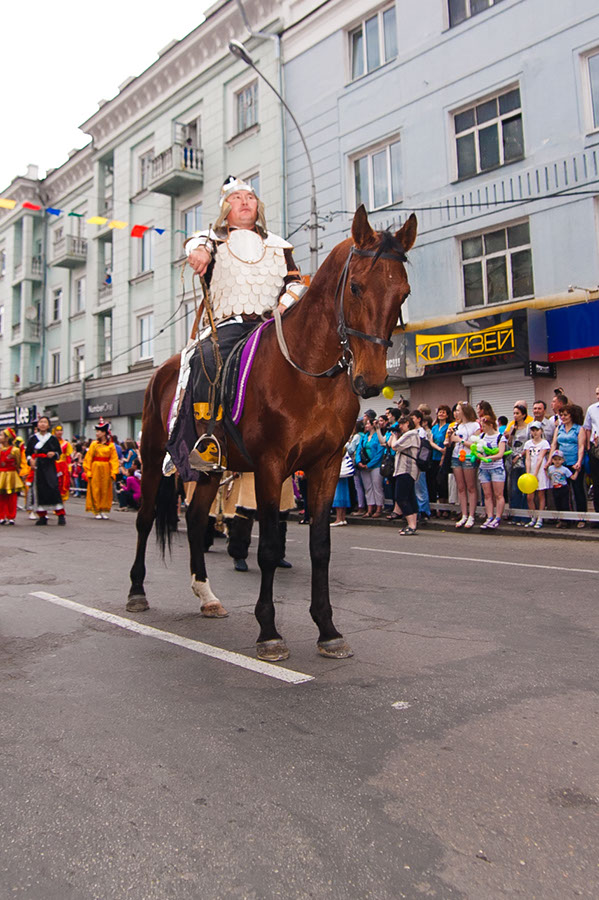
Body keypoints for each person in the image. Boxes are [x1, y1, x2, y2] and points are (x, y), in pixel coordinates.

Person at [177, 175, 305, 473]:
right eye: (237, 198)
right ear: (225, 207)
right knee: (205, 359)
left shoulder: (279, 245)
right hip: (230, 326)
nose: (245, 202)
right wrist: (197, 252)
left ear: (258, 205)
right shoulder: (213, 239)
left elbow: (296, 283)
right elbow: (197, 244)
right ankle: (210, 438)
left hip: (272, 325)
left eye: (249, 197)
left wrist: (282, 308)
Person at [550, 402, 587, 526]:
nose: (563, 417)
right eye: (561, 415)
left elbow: (581, 446)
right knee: (563, 492)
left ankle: (581, 518)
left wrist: (579, 462)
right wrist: (551, 460)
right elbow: (554, 444)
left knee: (577, 490)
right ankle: (565, 519)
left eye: (565, 415)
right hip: (561, 463)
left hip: (573, 463)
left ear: (571, 416)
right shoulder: (559, 428)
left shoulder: (578, 429)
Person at [25, 416, 66, 525]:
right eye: (41, 422)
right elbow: (28, 453)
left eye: (45, 422)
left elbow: (59, 452)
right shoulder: (32, 439)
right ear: (38, 425)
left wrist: (53, 454)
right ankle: (42, 515)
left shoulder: (52, 439)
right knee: (39, 489)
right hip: (38, 467)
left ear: (48, 425)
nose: (42, 424)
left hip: (49, 466)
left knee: (53, 488)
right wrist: (30, 460)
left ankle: (60, 514)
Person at [445, 400, 480, 529]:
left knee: (470, 486)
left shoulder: (475, 426)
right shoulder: (456, 425)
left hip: (468, 456)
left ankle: (471, 515)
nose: (456, 413)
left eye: (458, 410)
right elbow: (448, 442)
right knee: (460, 487)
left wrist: (459, 440)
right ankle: (463, 514)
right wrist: (449, 438)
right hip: (456, 456)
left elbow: (475, 444)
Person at [385, 415, 420, 535]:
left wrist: (395, 436)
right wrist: (393, 436)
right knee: (410, 497)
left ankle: (411, 524)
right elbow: (388, 444)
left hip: (406, 470)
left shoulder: (411, 435)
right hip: (405, 470)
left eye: (402, 424)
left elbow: (394, 446)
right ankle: (412, 524)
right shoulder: (410, 435)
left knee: (401, 497)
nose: (399, 426)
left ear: (408, 424)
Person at [476, 414, 508, 529]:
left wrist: (490, 458)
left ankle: (498, 517)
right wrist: (479, 456)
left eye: (484, 426)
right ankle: (489, 516)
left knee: (498, 494)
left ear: (490, 425)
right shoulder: (482, 436)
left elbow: (500, 453)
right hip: (484, 468)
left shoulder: (500, 437)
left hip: (496, 468)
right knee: (487, 494)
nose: (482, 428)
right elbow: (477, 449)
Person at [83, 420, 120, 519]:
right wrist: (88, 471)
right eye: (97, 431)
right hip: (95, 468)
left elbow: (114, 459)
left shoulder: (111, 445)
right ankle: (96, 510)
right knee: (95, 489)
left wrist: (114, 472)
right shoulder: (94, 444)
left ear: (104, 433)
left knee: (105, 490)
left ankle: (104, 509)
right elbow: (88, 458)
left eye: (99, 431)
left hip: (106, 468)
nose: (97, 433)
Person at [355, 413, 385, 517]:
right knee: (368, 487)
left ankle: (379, 508)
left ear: (373, 425)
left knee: (377, 487)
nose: (366, 426)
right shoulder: (364, 437)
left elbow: (380, 453)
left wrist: (370, 464)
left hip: (375, 465)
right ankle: (370, 508)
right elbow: (359, 449)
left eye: (368, 424)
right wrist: (359, 462)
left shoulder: (378, 436)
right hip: (364, 465)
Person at [523, 421, 551, 528]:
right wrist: (528, 472)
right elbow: (528, 458)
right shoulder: (528, 444)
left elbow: (540, 458)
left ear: (541, 431)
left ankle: (540, 517)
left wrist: (535, 473)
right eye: (533, 430)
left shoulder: (544, 443)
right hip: (530, 471)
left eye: (537, 430)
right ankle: (533, 516)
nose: (535, 433)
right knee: (530, 496)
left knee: (540, 494)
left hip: (540, 471)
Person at [506, 404, 530, 524]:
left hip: (524, 460)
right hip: (513, 462)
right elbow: (509, 444)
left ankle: (525, 516)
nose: (515, 416)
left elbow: (530, 444)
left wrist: (521, 455)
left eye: (518, 413)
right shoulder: (512, 427)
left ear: (524, 415)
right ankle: (515, 516)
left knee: (524, 489)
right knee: (514, 489)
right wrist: (510, 434)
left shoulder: (528, 428)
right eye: (514, 413)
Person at [429, 405, 451, 517]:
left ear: (447, 415)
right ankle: (436, 508)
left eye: (444, 412)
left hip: (444, 457)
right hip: (435, 456)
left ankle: (445, 508)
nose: (441, 414)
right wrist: (439, 449)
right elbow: (431, 441)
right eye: (440, 412)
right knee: (434, 482)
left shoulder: (448, 426)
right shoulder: (434, 427)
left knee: (443, 482)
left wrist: (444, 453)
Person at [410, 409, 431, 521]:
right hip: (411, 463)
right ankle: (416, 510)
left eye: (413, 418)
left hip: (419, 462)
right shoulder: (410, 431)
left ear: (419, 419)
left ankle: (424, 511)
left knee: (421, 488)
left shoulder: (421, 432)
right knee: (414, 488)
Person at [0, 428, 24, 525]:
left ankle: (11, 516)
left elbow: (18, 463)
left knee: (12, 496)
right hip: (1, 474)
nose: (0, 437)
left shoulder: (15, 450)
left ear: (7, 438)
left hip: (11, 474)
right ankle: (1, 516)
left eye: (2, 435)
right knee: (1, 496)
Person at [583, 384, 599, 526]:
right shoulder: (592, 409)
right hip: (596, 448)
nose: (598, 396)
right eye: (597, 393)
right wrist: (589, 446)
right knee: (596, 482)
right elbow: (587, 428)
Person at [52, 424, 73, 504]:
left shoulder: (66, 443)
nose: (59, 432)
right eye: (57, 430)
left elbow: (68, 457)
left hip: (63, 466)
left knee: (63, 484)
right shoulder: (51, 442)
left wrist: (69, 468)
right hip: (53, 465)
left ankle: (61, 503)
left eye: (61, 430)